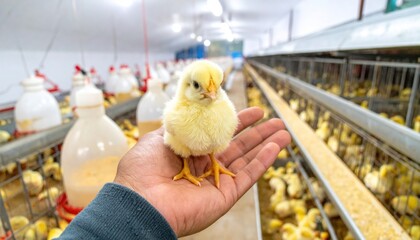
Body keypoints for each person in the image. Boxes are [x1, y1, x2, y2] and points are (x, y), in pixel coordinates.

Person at [58, 107, 291, 239]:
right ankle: (190, 169)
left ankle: (204, 164)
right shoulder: (180, 113)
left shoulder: (217, 111)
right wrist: (138, 197)